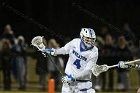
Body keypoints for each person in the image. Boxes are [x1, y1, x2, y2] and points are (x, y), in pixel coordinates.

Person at [41, 28, 99, 93]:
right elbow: (65, 50)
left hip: (83, 83)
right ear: (81, 36)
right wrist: (54, 51)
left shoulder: (94, 51)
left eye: (92, 39)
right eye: (87, 38)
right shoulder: (75, 42)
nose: (89, 41)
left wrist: (73, 77)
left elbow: (87, 71)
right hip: (68, 80)